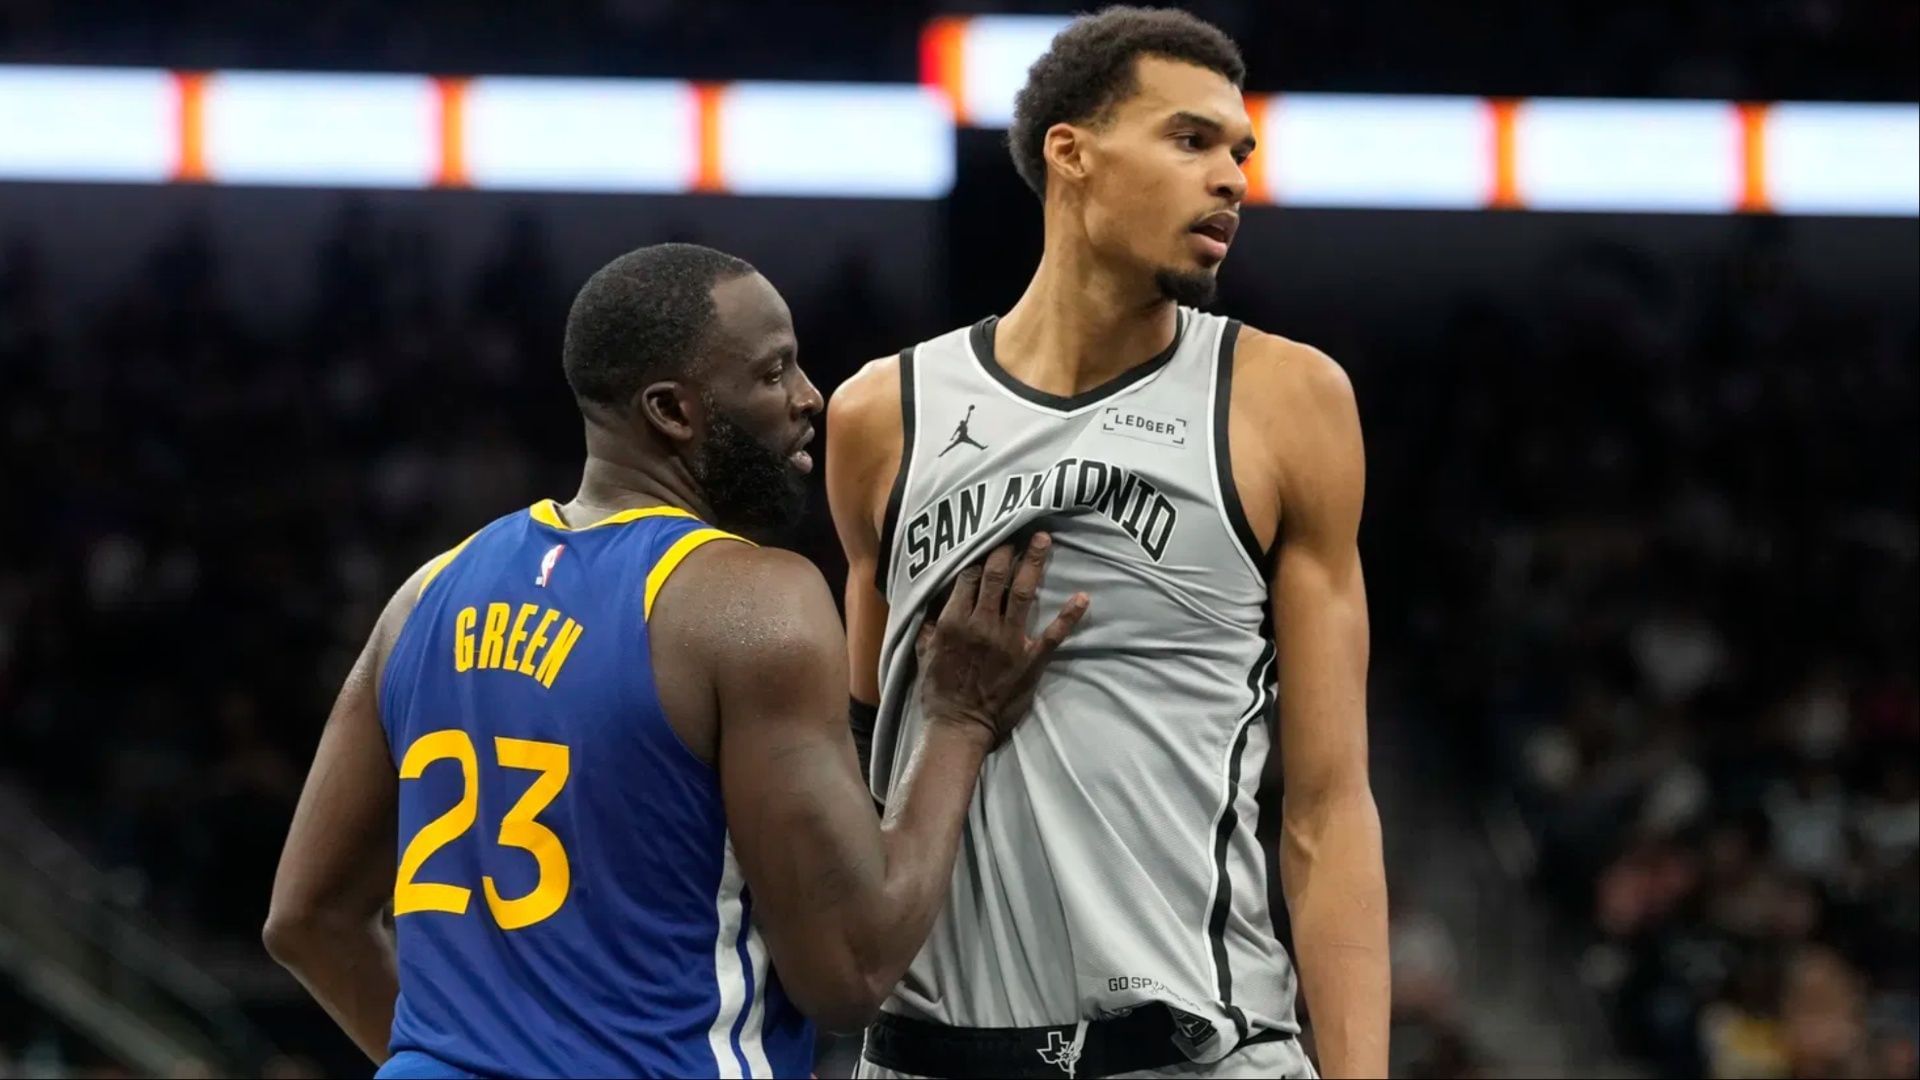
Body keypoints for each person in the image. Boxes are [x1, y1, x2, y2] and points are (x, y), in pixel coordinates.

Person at [263, 243, 1089, 1079]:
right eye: (775, 373)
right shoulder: (748, 601)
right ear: (672, 410)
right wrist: (959, 721)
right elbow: (850, 971)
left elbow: (306, 920)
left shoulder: (423, 596)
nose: (812, 399)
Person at [826, 8, 1387, 1078]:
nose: (1230, 178)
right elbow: (865, 786)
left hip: (1193, 1048)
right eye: (1190, 140)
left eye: (1240, 153)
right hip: (926, 1051)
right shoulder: (879, 416)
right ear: (1071, 153)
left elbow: (1326, 806)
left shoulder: (1284, 400)